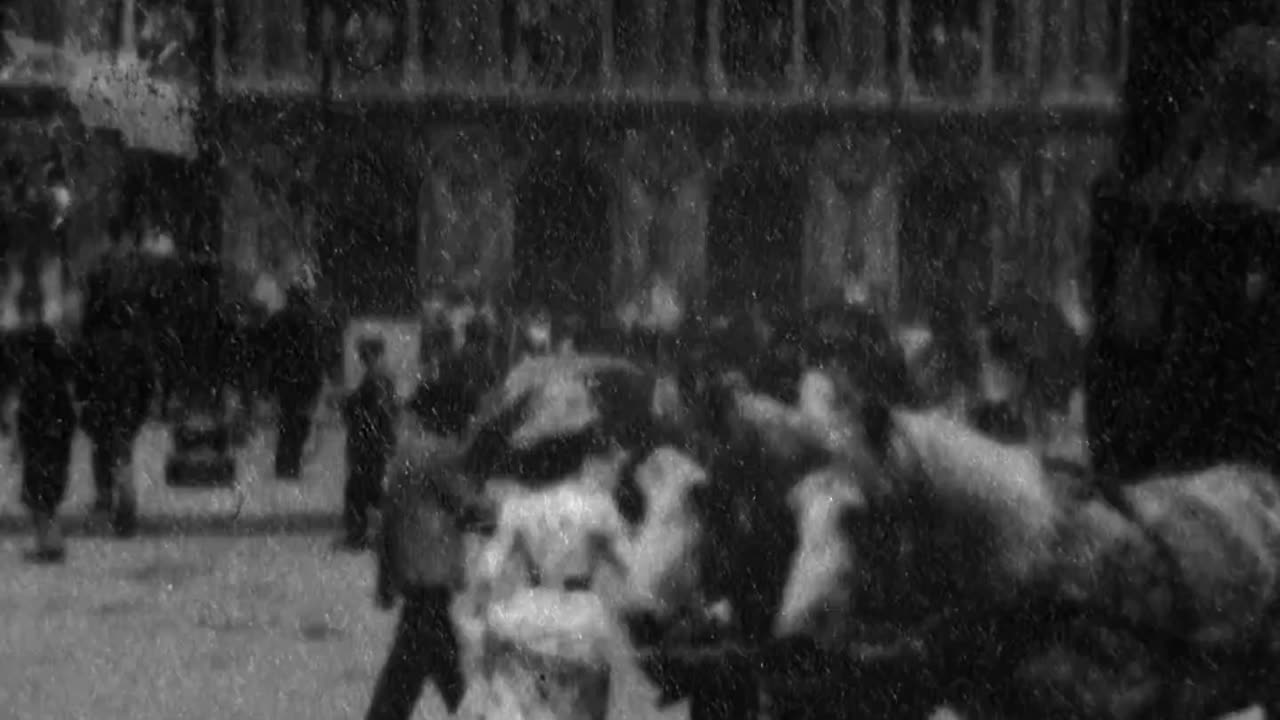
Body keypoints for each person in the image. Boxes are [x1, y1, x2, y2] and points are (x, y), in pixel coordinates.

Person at [75, 303, 155, 537]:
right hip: (126, 415)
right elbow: (147, 384)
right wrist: (138, 414)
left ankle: (104, 512)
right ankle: (126, 516)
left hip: (100, 414)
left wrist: (87, 411)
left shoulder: (94, 348)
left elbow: (83, 385)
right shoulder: (136, 350)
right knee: (122, 462)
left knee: (101, 462)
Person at [15, 317, 77, 562]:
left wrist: (29, 438)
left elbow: (28, 416)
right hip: (54, 448)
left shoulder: (36, 379)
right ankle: (50, 543)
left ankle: (49, 545)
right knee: (47, 500)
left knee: (41, 501)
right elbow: (68, 418)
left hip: (40, 448)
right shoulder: (57, 378)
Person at [261, 283, 326, 479]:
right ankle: (291, 464)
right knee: (298, 424)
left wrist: (269, 383)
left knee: (286, 423)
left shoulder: (278, 320)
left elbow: (268, 352)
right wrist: (317, 383)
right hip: (304, 381)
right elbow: (317, 356)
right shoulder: (312, 321)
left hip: (285, 380)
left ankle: (284, 465)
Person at [339, 335, 397, 550]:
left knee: (358, 491)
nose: (361, 358)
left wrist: (348, 405)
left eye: (364, 354)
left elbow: (370, 410)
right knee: (372, 490)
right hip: (375, 442)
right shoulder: (382, 377)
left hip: (368, 442)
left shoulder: (376, 378)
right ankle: (385, 533)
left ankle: (358, 535)